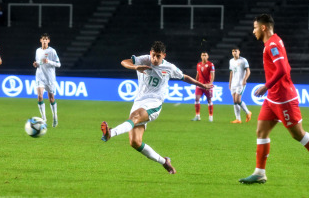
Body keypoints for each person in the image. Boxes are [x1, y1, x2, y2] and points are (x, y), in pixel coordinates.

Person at [239, 14, 309, 185]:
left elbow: (283, 69)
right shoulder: (272, 42)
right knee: (261, 131)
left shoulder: (273, 44)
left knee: (298, 134)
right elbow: (287, 66)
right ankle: (260, 172)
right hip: (273, 98)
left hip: (284, 99)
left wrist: (266, 86)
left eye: (254, 27)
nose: (253, 31)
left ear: (263, 27)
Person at [100, 41, 212, 174]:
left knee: (134, 117)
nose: (155, 59)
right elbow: (124, 62)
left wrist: (201, 85)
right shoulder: (144, 60)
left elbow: (184, 77)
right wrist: (136, 67)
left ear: (164, 55)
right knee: (135, 142)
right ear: (150, 53)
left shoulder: (169, 67)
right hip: (139, 102)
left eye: (158, 56)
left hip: (154, 103)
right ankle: (165, 162)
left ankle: (110, 133)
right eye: (153, 55)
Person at [33, 33, 61, 127]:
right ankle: (44, 118)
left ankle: (55, 116)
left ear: (48, 41)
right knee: (40, 96)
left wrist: (48, 61)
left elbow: (58, 64)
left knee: (51, 98)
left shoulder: (52, 51)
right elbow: (39, 62)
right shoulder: (37, 51)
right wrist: (36, 64)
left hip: (50, 78)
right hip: (40, 76)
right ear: (40, 40)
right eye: (43, 39)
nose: (44, 40)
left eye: (46, 39)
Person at [229, 47, 252, 123]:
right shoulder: (231, 61)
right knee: (234, 101)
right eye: (233, 51)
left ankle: (248, 112)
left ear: (239, 52)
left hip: (241, 83)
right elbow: (231, 72)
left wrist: (245, 79)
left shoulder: (243, 60)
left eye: (236, 51)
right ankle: (238, 119)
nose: (234, 52)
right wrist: (230, 83)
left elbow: (248, 71)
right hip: (233, 83)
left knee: (237, 100)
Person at [191, 51, 215, 122]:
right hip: (200, 85)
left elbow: (213, 75)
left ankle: (211, 117)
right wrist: (196, 83)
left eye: (205, 55)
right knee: (196, 99)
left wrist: (210, 84)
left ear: (207, 57)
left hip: (207, 85)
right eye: (202, 55)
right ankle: (197, 116)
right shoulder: (198, 64)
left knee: (209, 100)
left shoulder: (211, 64)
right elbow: (197, 75)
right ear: (201, 56)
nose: (204, 56)